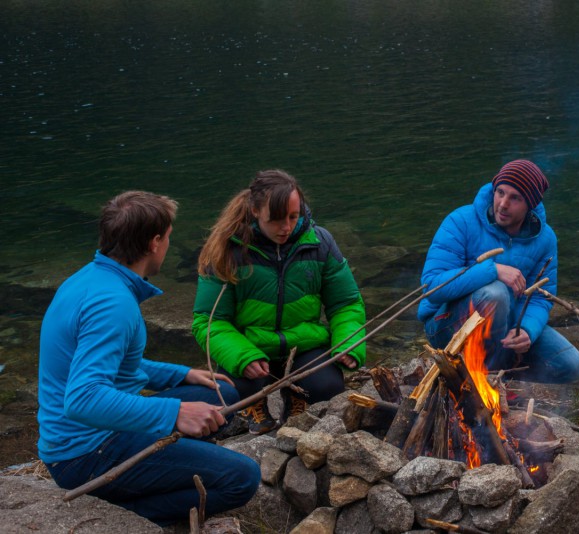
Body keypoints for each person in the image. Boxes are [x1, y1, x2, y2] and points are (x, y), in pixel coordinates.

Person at [38, 191, 260, 526]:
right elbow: (82, 399)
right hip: (86, 455)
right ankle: (124, 517)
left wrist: (181, 373)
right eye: (169, 238)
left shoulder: (89, 279)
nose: (169, 245)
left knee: (222, 395)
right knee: (243, 477)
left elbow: (110, 365)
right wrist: (175, 411)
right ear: (154, 243)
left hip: (86, 437)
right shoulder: (113, 304)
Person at [192, 169, 366, 434]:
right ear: (254, 210)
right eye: (275, 220)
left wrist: (349, 344)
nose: (286, 227)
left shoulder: (320, 242)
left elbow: (345, 303)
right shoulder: (226, 250)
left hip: (304, 345)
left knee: (328, 388)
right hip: (250, 347)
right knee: (233, 389)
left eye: (293, 217)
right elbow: (208, 321)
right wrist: (243, 357)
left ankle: (296, 396)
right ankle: (254, 403)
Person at [417, 159, 579, 383]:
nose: (503, 204)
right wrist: (492, 270)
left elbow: (541, 298)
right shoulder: (461, 221)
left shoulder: (545, 239)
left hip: (505, 328)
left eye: (515, 198)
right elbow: (432, 287)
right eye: (500, 192)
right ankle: (481, 381)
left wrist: (528, 330)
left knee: (572, 364)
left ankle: (501, 379)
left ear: (530, 205)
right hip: (445, 325)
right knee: (495, 293)